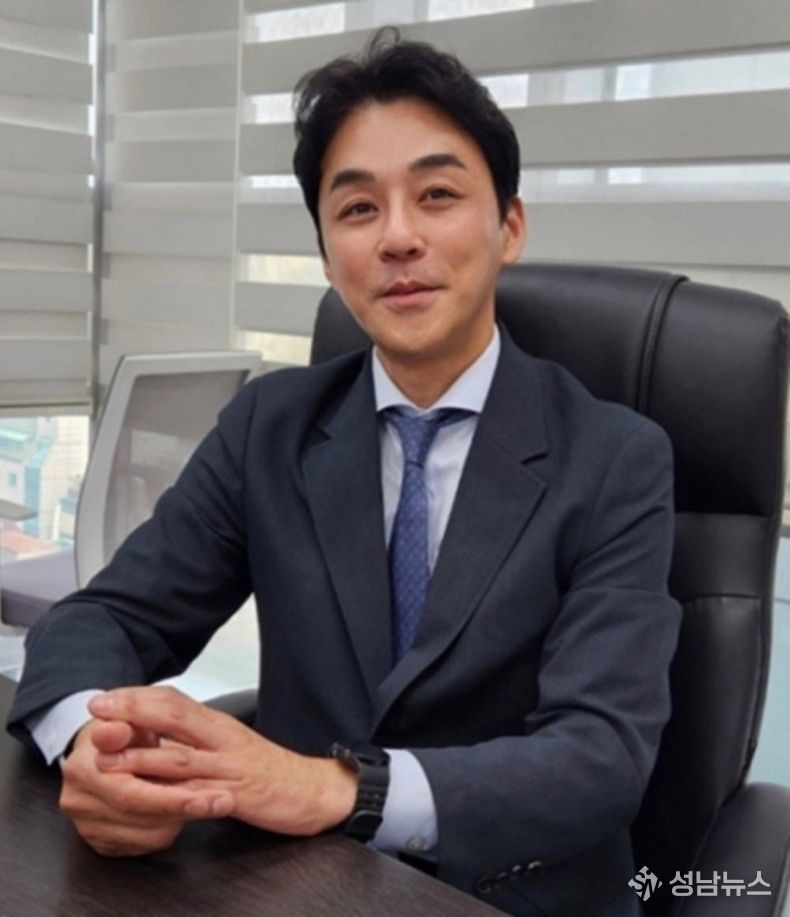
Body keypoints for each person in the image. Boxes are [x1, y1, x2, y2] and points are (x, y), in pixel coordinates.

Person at [7, 29, 680, 917]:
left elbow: (600, 756)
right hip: (297, 886)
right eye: (358, 208)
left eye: (437, 195)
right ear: (328, 255)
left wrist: (335, 787)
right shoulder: (270, 426)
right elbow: (105, 617)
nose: (398, 237)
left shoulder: (617, 457)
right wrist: (94, 745)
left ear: (509, 227)